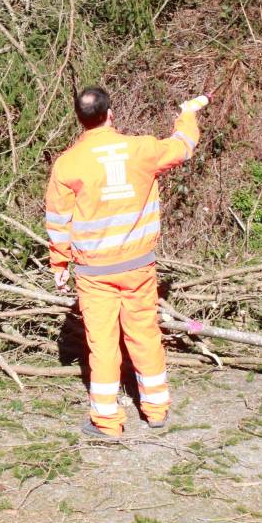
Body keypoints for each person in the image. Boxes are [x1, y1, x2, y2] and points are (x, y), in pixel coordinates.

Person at [44, 87, 208, 438]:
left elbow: (57, 221)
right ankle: (156, 409)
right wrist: (189, 113)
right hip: (137, 267)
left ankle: (106, 422)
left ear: (79, 118)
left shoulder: (68, 162)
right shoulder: (142, 149)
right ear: (111, 114)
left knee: (102, 344)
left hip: (93, 272)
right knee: (145, 334)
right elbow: (183, 145)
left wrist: (58, 265)